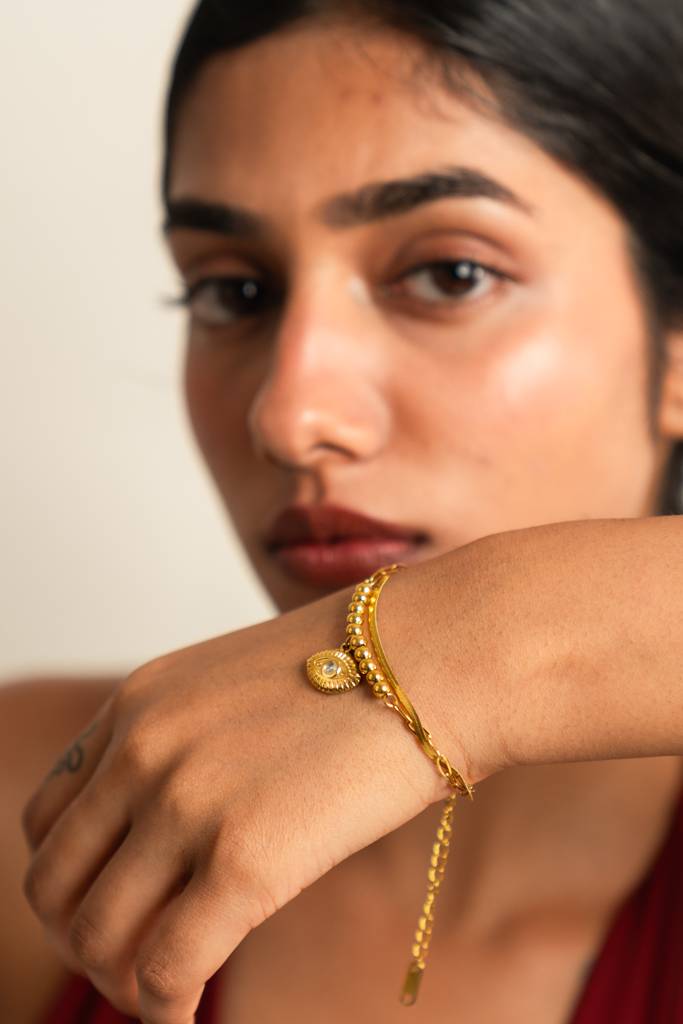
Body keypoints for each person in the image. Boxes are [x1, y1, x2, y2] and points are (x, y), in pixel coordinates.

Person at [2, 1, 683, 1022]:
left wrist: (469, 644)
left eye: (449, 275)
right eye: (232, 292)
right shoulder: (43, 813)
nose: (289, 416)